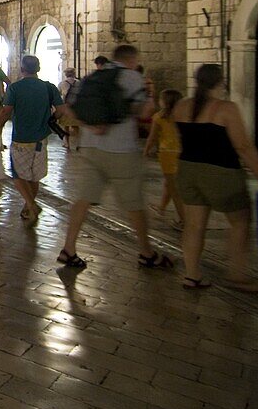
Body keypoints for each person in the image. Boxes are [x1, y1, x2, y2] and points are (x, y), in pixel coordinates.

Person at [58, 44, 173, 271]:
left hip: (90, 146)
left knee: (84, 198)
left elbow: (71, 110)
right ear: (132, 59)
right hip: (121, 150)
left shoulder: (92, 77)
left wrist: (93, 125)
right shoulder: (131, 77)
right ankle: (146, 252)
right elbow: (145, 112)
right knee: (134, 203)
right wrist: (149, 92)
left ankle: (69, 248)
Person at [175, 65, 258, 292]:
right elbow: (243, 146)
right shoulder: (226, 108)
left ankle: (192, 275)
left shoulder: (182, 106)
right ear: (220, 82)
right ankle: (237, 275)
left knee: (193, 225)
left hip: (187, 169)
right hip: (221, 172)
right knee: (240, 221)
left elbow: (180, 137)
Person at [0, 55, 66, 226]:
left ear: (22, 69)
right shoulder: (49, 87)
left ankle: (31, 205)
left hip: (21, 139)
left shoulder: (15, 88)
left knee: (18, 175)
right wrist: (51, 118)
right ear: (38, 69)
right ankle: (27, 207)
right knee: (34, 177)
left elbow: (6, 111)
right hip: (41, 138)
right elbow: (61, 110)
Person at [145, 88, 184, 229]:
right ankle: (161, 208)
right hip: (182, 153)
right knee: (170, 184)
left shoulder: (159, 117)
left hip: (167, 154)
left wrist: (145, 152)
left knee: (174, 188)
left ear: (165, 102)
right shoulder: (184, 115)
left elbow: (152, 138)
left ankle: (184, 220)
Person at [57, 67, 79, 150]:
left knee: (65, 126)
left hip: (66, 107)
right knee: (76, 126)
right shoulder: (79, 83)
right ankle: (77, 143)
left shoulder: (62, 83)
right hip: (76, 108)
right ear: (74, 74)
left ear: (66, 74)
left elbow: (58, 95)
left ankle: (67, 143)